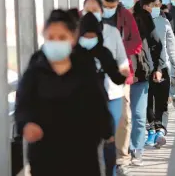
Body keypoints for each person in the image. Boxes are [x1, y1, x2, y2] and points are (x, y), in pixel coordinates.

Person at [14, 9, 114, 176]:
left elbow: (98, 103)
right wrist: (26, 124)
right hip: (45, 155)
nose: (55, 42)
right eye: (51, 37)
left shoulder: (84, 68)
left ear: (73, 38)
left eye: (62, 37)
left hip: (82, 154)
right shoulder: (35, 70)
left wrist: (106, 131)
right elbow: (23, 104)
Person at [117, 0, 165, 167]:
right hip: (119, 75)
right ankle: (125, 150)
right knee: (123, 116)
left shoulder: (143, 16)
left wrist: (158, 67)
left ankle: (137, 149)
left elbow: (156, 42)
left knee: (138, 115)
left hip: (141, 73)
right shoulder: (112, 18)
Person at [79, 11, 129, 176]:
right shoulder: (73, 55)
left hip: (101, 105)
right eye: (86, 35)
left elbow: (115, 76)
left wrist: (122, 75)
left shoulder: (103, 53)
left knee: (108, 147)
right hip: (78, 109)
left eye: (92, 35)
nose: (89, 38)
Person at [100, 0, 142, 175]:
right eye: (106, 5)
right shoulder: (92, 18)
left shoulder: (125, 16)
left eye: (112, 5)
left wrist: (118, 53)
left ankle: (121, 158)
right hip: (97, 76)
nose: (109, 9)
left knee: (124, 116)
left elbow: (137, 42)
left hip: (121, 73)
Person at [141, 0, 175, 149]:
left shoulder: (164, 22)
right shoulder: (139, 23)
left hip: (163, 67)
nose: (157, 8)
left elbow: (171, 46)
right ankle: (151, 130)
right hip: (144, 69)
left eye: (159, 5)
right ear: (145, 6)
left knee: (162, 101)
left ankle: (161, 131)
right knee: (147, 102)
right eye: (154, 5)